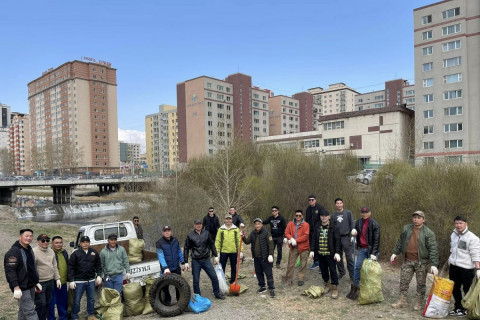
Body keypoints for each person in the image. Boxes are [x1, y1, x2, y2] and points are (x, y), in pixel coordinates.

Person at [390, 211, 439, 311]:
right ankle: (402, 300)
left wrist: (434, 264)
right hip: (407, 260)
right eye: (414, 217)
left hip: (421, 263)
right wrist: (395, 253)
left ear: (423, 220)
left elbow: (433, 249)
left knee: (421, 284)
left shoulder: (428, 233)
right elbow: (400, 241)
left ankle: (419, 302)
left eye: (419, 217)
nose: (416, 219)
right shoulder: (406, 229)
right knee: (404, 281)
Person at [4, 228, 41, 320]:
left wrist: (36, 282)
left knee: (23, 310)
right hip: (22, 287)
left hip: (31, 286)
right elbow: (10, 271)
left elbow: (31, 268)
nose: (29, 238)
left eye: (31, 236)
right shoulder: (14, 252)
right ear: (20, 237)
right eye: (26, 236)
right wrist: (16, 287)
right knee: (30, 312)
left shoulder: (29, 249)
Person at [447, 215, 480, 317]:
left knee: (467, 289)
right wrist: (450, 260)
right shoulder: (453, 235)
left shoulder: (472, 238)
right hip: (454, 266)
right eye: (456, 223)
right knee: (454, 288)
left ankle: (466, 308)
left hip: (466, 268)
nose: (458, 225)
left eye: (461, 223)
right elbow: (452, 249)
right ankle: (457, 307)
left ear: (466, 224)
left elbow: (475, 254)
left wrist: (478, 268)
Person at [184, 219, 225, 299]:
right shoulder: (190, 235)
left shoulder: (206, 233)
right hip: (196, 260)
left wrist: (215, 255)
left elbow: (212, 244)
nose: (198, 225)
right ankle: (197, 296)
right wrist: (186, 261)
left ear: (202, 225)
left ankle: (217, 293)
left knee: (214, 277)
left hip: (206, 259)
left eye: (200, 224)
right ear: (194, 225)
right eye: (197, 224)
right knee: (196, 280)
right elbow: (186, 248)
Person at [349, 206, 380, 300]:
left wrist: (374, 253)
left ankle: (371, 289)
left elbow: (377, 240)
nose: (364, 214)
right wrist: (354, 235)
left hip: (371, 250)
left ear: (369, 213)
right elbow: (356, 231)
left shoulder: (374, 224)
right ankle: (356, 286)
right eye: (363, 212)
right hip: (362, 249)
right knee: (358, 267)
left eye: (366, 212)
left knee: (370, 271)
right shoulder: (358, 221)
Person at [68, 236, 103, 320]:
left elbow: (98, 265)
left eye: (87, 242)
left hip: (91, 280)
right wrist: (71, 280)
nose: (85, 244)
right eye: (83, 242)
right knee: (76, 300)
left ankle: (90, 315)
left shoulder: (94, 252)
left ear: (89, 243)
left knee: (91, 299)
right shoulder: (75, 254)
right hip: (79, 281)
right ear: (80, 243)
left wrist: (99, 275)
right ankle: (74, 316)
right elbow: (70, 267)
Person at [310, 210, 341, 299]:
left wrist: (337, 253)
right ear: (320, 217)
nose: (323, 217)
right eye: (322, 216)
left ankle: (334, 287)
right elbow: (314, 239)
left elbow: (337, 241)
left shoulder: (333, 227)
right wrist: (312, 250)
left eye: (325, 216)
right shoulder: (317, 226)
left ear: (329, 217)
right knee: (323, 270)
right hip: (320, 253)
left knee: (332, 270)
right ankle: (327, 284)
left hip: (330, 254)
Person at [242, 218, 275, 298]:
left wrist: (270, 254)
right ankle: (262, 286)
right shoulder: (253, 233)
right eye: (256, 224)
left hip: (265, 257)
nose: (257, 225)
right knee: (259, 273)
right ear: (254, 225)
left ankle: (271, 289)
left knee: (268, 273)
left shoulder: (266, 232)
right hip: (256, 258)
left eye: (259, 224)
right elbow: (247, 242)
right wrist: (242, 236)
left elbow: (271, 244)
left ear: (261, 224)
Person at [156, 226, 187, 305]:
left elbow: (179, 251)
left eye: (168, 230)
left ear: (171, 232)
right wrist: (165, 267)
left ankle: (179, 301)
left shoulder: (175, 240)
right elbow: (160, 256)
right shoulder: (159, 243)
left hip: (176, 267)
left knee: (179, 285)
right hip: (166, 269)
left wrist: (182, 262)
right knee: (165, 286)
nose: (167, 232)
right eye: (165, 231)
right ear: (163, 232)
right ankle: (167, 302)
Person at [33, 234, 61, 320]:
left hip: (50, 281)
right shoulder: (33, 252)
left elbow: (54, 265)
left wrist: (57, 279)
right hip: (40, 282)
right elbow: (31, 269)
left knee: (48, 303)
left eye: (47, 241)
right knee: (41, 304)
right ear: (38, 242)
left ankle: (44, 318)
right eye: (43, 241)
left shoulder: (51, 251)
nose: (45, 242)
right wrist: (35, 282)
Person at [283, 210, 310, 286]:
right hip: (293, 247)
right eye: (297, 215)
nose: (298, 217)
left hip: (304, 247)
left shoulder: (306, 225)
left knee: (303, 264)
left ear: (302, 216)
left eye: (300, 215)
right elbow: (286, 232)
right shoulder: (290, 224)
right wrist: (291, 239)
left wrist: (296, 240)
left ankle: (301, 278)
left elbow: (305, 236)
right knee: (291, 263)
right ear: (295, 216)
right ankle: (288, 278)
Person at [331, 198, 355, 281]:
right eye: (337, 203)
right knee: (338, 257)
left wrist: (352, 235)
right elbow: (332, 227)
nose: (339, 205)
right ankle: (342, 272)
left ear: (343, 204)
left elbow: (352, 224)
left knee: (349, 257)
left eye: (340, 203)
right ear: (335, 205)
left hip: (346, 237)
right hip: (337, 238)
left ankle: (352, 275)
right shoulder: (333, 215)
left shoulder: (348, 213)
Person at [215, 214, 242, 285]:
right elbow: (218, 241)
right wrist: (217, 253)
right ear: (225, 220)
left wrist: (241, 251)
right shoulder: (221, 229)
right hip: (224, 251)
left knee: (233, 267)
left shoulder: (236, 229)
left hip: (233, 251)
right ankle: (222, 281)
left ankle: (233, 281)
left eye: (230, 219)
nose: (228, 220)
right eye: (227, 219)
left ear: (232, 220)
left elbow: (238, 241)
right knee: (222, 267)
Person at [305, 195, 329, 269]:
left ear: (315, 200)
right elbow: (307, 220)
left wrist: (320, 226)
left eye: (312, 200)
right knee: (313, 246)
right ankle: (315, 262)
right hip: (311, 231)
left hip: (319, 229)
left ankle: (323, 263)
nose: (311, 201)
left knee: (320, 245)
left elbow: (324, 217)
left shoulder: (320, 208)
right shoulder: (308, 209)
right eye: (310, 200)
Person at [48, 236, 69, 320]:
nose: (59, 244)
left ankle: (63, 317)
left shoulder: (64, 252)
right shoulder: (49, 253)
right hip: (52, 282)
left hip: (63, 282)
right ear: (52, 243)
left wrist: (70, 279)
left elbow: (68, 265)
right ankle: (51, 318)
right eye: (56, 243)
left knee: (63, 302)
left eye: (60, 242)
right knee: (51, 303)